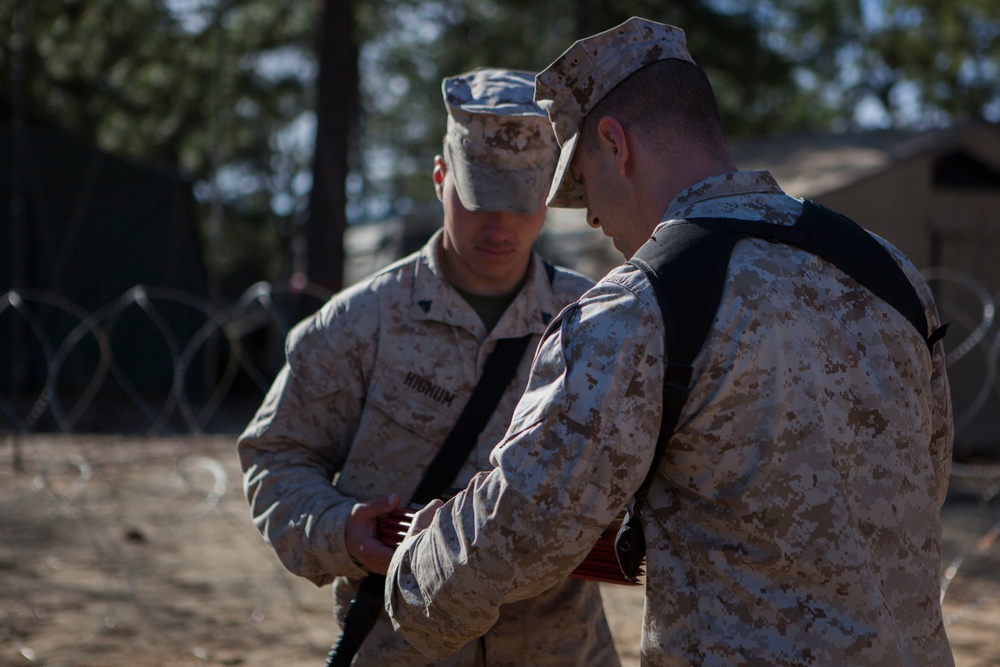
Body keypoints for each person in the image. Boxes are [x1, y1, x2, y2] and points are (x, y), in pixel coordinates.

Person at [386, 18, 955, 666]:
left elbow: (520, 527)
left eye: (583, 187)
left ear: (615, 143)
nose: (593, 217)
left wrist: (413, 573)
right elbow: (926, 481)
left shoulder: (638, 306)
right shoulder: (890, 272)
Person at [237, 67, 620, 666]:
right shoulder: (357, 325)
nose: (500, 225)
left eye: (521, 203)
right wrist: (339, 530)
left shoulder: (596, 322)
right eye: (479, 198)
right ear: (441, 177)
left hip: (558, 650)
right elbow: (276, 458)